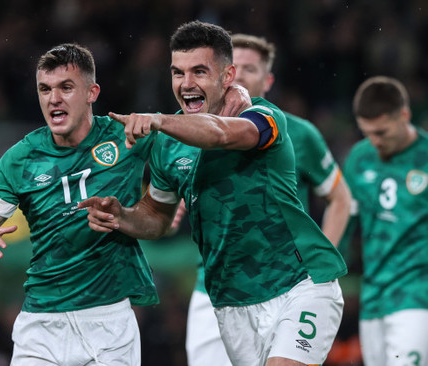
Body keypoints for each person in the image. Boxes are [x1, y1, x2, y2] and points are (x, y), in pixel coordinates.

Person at [79, 20, 347, 366]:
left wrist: (158, 120)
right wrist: (123, 217)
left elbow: (219, 133)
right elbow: (158, 216)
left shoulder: (266, 117)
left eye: (200, 72)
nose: (186, 84)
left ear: (227, 76)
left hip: (301, 285)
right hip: (230, 303)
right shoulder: (167, 145)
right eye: (178, 73)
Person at [0, 43, 160, 366]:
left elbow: (196, 136)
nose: (54, 99)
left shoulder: (127, 137)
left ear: (92, 92)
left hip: (108, 323)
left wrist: (159, 120)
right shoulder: (20, 158)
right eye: (45, 89)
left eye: (66, 87)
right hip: (41, 326)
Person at [185, 33, 353, 366]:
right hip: (217, 291)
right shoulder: (190, 135)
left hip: (284, 281)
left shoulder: (298, 132)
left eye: (250, 68)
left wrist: (314, 264)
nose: (242, 75)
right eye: (235, 67)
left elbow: (341, 199)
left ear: (268, 79)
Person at [343, 76, 428, 366]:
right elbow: (345, 220)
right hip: (373, 297)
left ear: (404, 115)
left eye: (382, 132)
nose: (375, 142)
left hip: (416, 297)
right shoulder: (359, 157)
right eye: (368, 133)